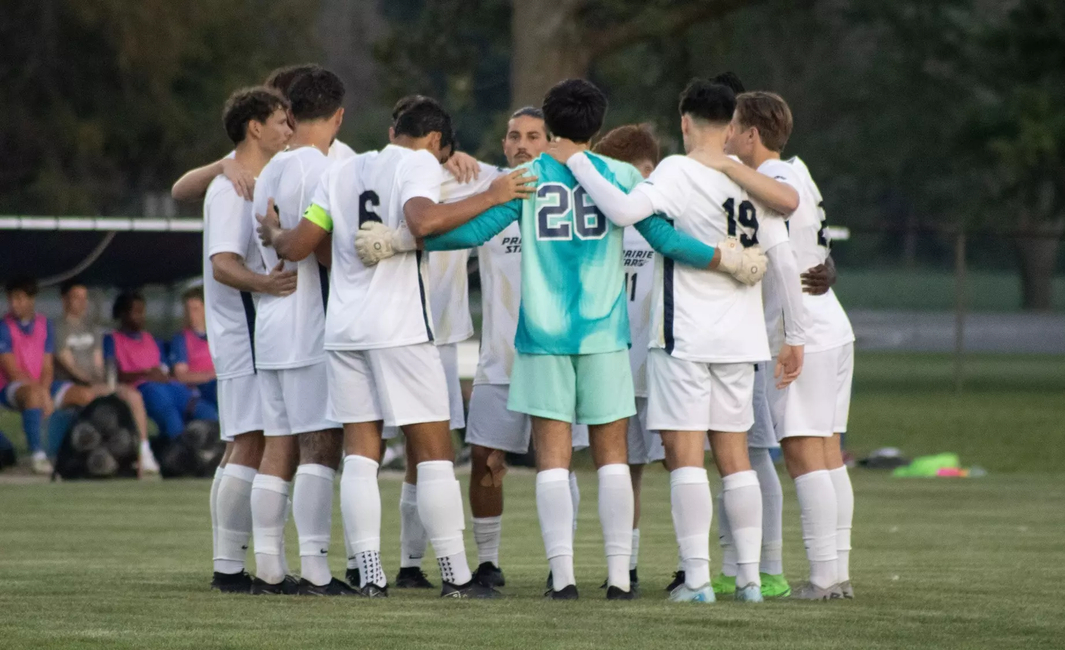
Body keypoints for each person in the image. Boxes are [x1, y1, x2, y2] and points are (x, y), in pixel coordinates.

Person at [357, 79, 766, 600]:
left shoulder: (529, 175)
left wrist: (400, 240)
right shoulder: (621, 173)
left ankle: (565, 579)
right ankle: (620, 579)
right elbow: (661, 235)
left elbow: (477, 230)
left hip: (543, 335)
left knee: (553, 460)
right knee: (612, 456)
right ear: (598, 126)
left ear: (550, 126)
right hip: (603, 334)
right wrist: (724, 256)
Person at [258, 97, 534, 598]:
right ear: (433, 142)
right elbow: (424, 221)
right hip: (401, 330)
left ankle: (370, 574)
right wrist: (493, 195)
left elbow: (299, 247)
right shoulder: (416, 163)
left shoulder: (343, 170)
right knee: (433, 453)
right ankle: (456, 575)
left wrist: (273, 230)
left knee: (362, 455)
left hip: (343, 331)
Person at [554, 79, 798, 604]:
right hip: (741, 337)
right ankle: (751, 581)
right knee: (735, 459)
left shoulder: (677, 170)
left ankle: (699, 580)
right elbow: (784, 234)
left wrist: (576, 162)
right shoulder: (750, 177)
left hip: (684, 333)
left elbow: (622, 212)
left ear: (684, 122)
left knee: (685, 458)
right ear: (732, 125)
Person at [706, 91, 856, 600]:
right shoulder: (799, 169)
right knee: (828, 451)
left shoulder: (777, 180)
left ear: (751, 134)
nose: (725, 136)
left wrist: (719, 163)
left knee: (802, 451)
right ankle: (837, 572)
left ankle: (820, 576)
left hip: (802, 330)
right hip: (829, 325)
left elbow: (789, 258)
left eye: (731, 127)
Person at [246, 68, 350, 596]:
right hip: (309, 321)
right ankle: (314, 568)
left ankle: (267, 564)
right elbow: (316, 247)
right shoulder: (324, 170)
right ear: (338, 116)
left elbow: (268, 233)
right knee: (319, 446)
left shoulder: (270, 170)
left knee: (277, 445)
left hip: (271, 323)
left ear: (287, 113)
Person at [203, 85, 295, 593]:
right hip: (244, 332)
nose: (288, 130)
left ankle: (229, 565)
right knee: (252, 440)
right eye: (281, 121)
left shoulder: (248, 180)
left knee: (246, 439)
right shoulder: (231, 189)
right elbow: (223, 265)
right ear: (254, 127)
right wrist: (268, 284)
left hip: (246, 331)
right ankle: (230, 570)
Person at [588, 124, 666, 593]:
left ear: (647, 172)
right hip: (615, 361)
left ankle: (688, 565)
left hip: (659, 363)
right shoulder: (604, 217)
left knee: (681, 462)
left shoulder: (664, 214)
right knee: (625, 467)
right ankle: (628, 567)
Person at [54, 279, 159, 474]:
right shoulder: (58, 328)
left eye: (84, 298)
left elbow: (98, 363)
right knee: (88, 395)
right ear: (64, 300)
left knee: (132, 396)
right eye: (76, 297)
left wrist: (106, 382)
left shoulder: (93, 330)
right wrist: (93, 383)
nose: (82, 302)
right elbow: (68, 364)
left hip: (94, 384)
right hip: (67, 384)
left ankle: (143, 452)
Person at [103, 292, 218, 442]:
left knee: (206, 411)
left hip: (169, 385)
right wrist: (145, 374)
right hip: (144, 387)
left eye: (142, 311)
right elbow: (114, 375)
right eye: (135, 312)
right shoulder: (112, 339)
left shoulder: (150, 339)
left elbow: (164, 367)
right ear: (123, 314)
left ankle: (218, 454)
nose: (140, 316)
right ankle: (180, 456)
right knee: (172, 418)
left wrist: (164, 375)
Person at [169, 286, 217, 408]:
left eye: (195, 309)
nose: (191, 315)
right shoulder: (181, 339)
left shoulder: (218, 334)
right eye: (187, 310)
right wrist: (211, 375)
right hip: (201, 389)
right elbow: (181, 375)